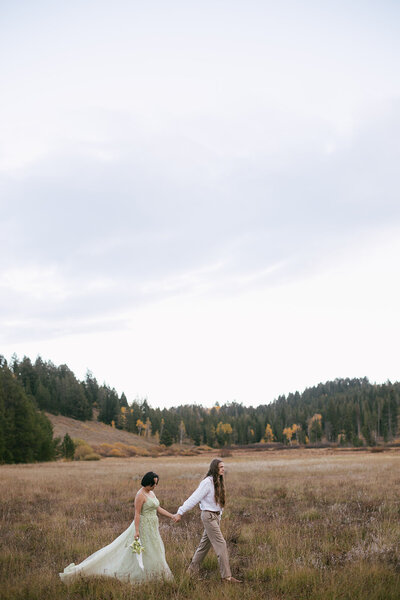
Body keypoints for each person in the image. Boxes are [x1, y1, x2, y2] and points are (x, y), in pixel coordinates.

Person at [59, 471, 175, 584]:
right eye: (153, 483)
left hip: (153, 527)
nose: (155, 486)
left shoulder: (151, 493)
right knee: (136, 550)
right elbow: (137, 514)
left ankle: (154, 574)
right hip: (143, 527)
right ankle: (134, 573)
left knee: (153, 549)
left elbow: (157, 508)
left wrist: (172, 516)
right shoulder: (140, 495)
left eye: (156, 483)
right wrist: (136, 530)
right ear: (147, 482)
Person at [174, 458, 242, 583]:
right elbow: (194, 498)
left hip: (215, 517)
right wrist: (180, 512)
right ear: (215, 468)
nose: (223, 469)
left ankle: (190, 572)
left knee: (203, 546)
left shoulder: (218, 482)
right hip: (208, 517)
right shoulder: (207, 482)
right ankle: (226, 577)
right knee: (221, 544)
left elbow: (218, 504)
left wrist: (219, 516)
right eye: (221, 467)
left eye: (223, 467)